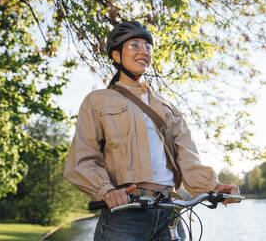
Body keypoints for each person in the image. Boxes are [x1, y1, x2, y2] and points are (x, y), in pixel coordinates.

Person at [64, 20, 241, 241]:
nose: (143, 51)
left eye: (148, 47)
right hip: (125, 214)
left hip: (169, 211)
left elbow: (189, 160)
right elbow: (81, 160)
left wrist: (214, 187)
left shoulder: (167, 107)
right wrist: (106, 191)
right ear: (116, 56)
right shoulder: (98, 101)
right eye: (134, 45)